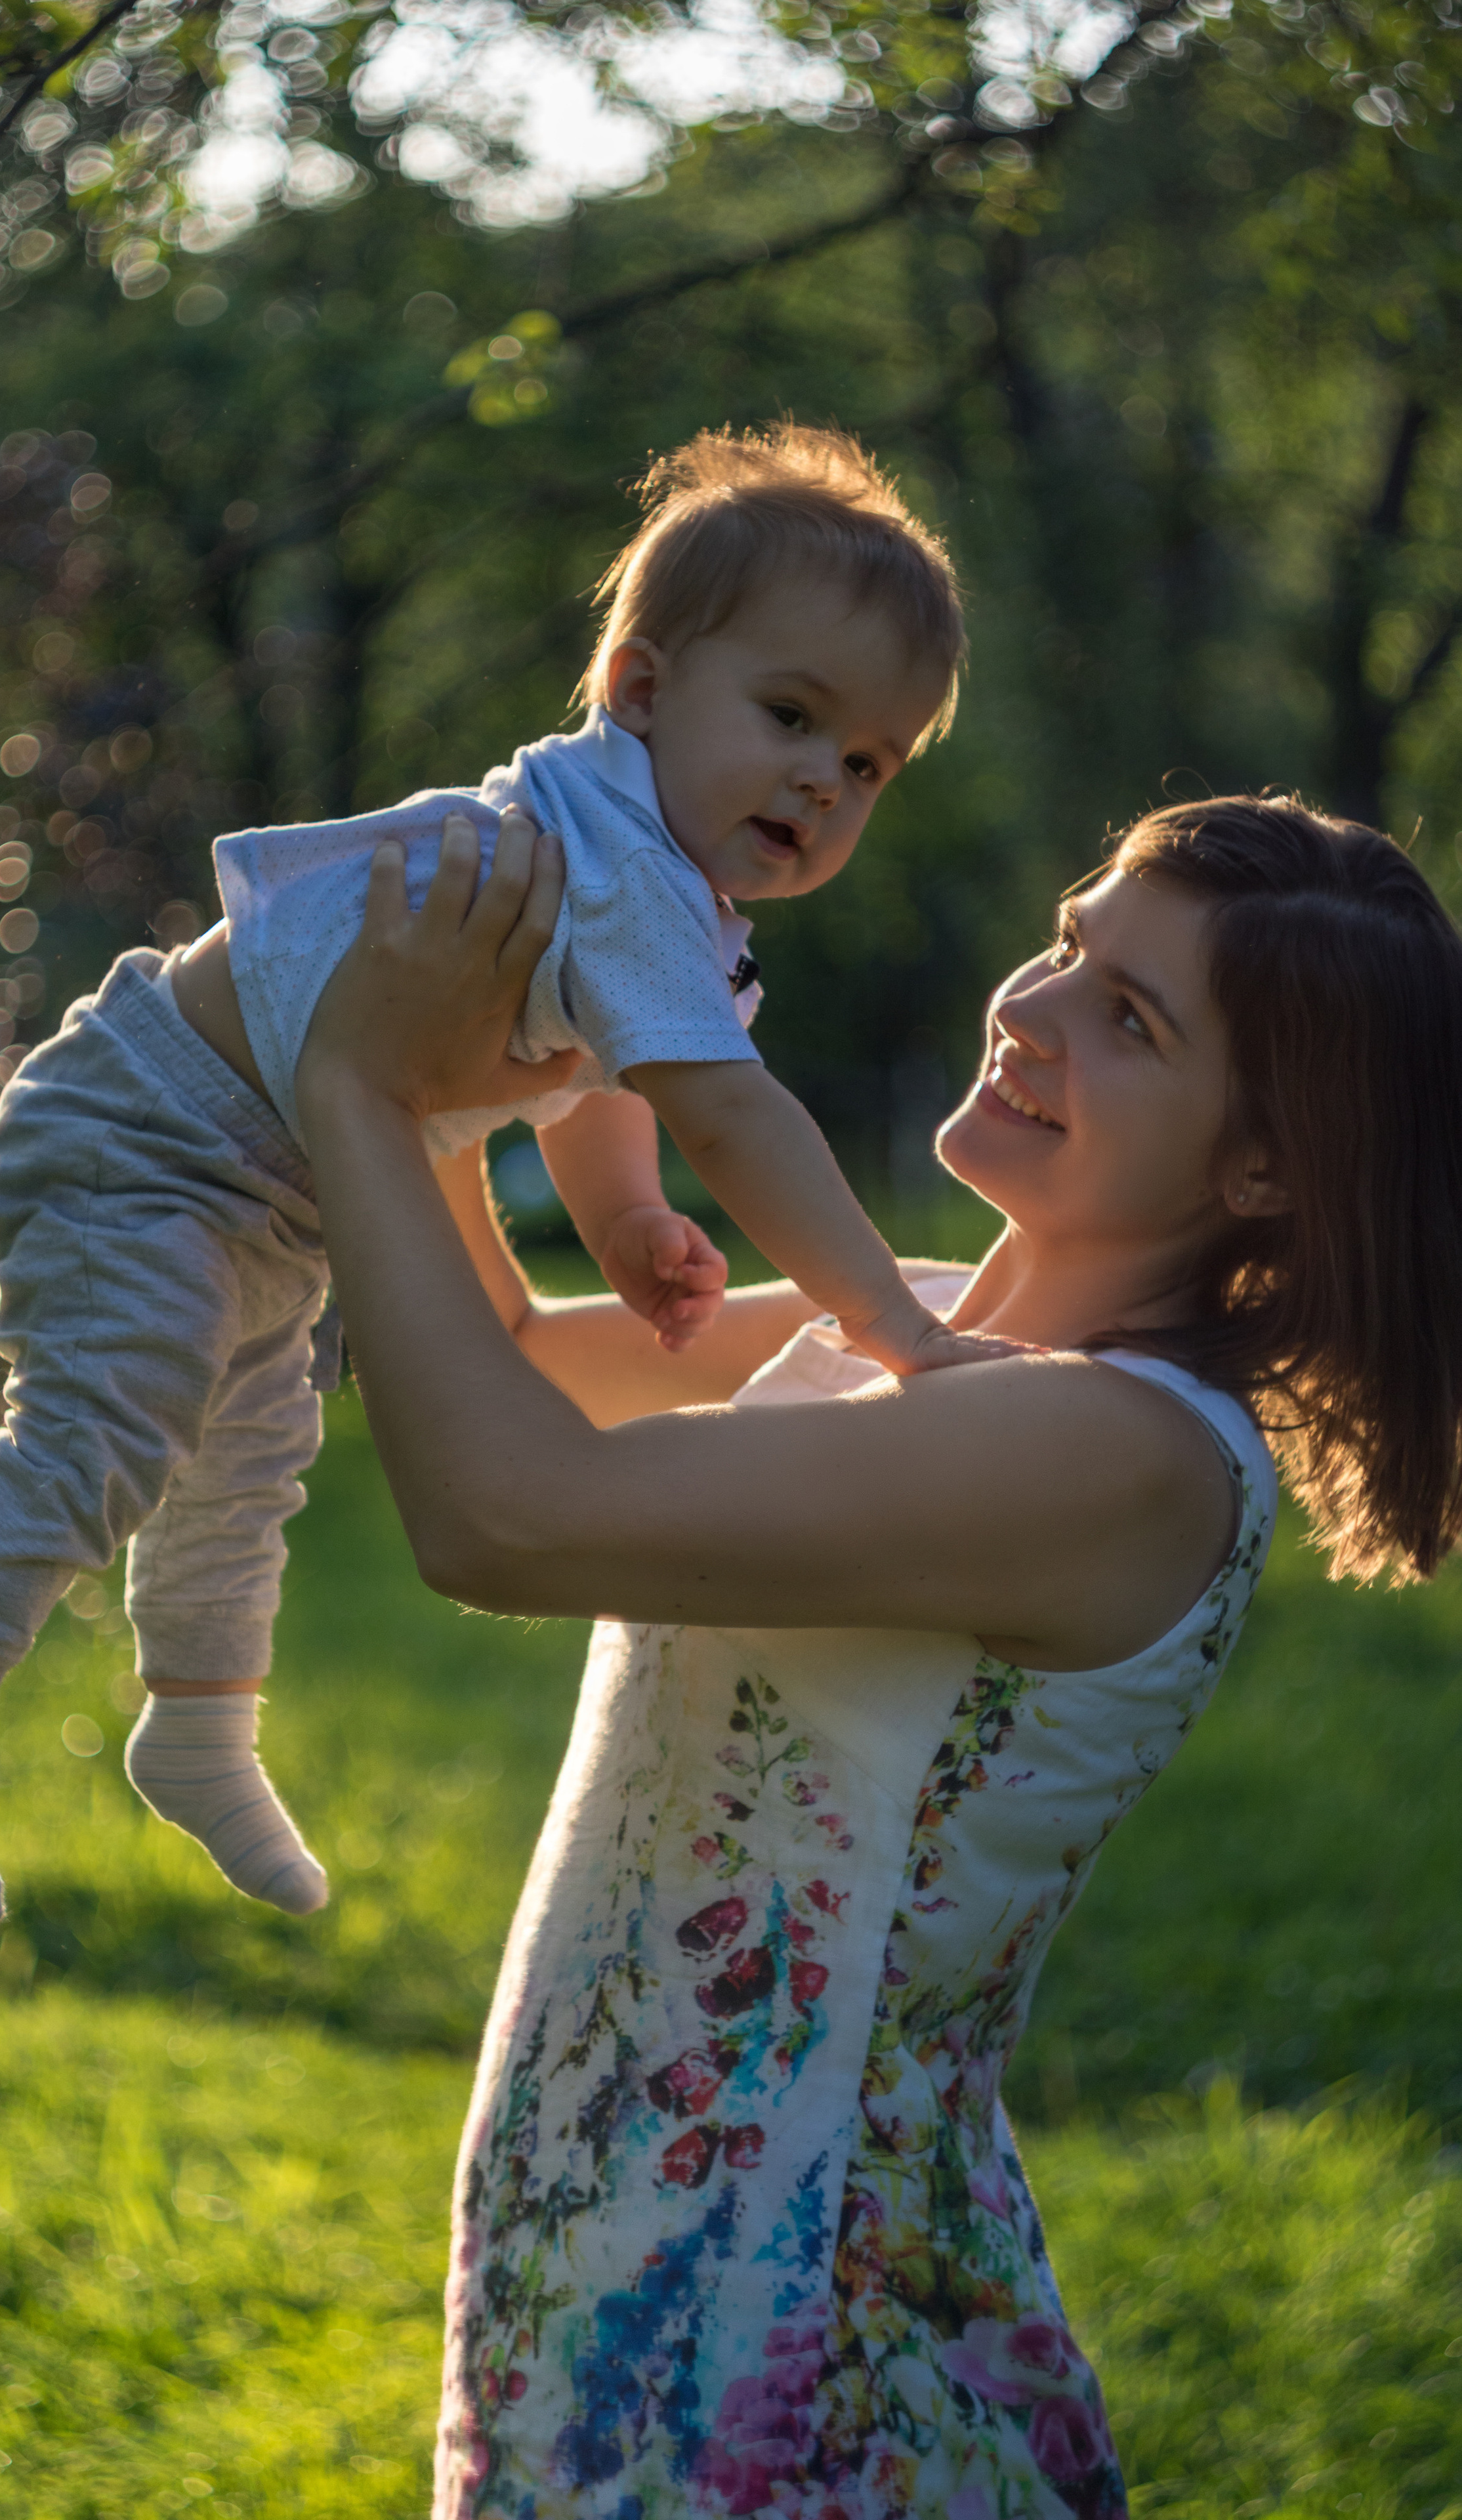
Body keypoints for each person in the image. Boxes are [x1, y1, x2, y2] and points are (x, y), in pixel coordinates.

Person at [291, 793, 1462, 2519]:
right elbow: (520, 1355)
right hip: (628, 2220)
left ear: (1263, 1168)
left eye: (1128, 1020)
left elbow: (500, 1516)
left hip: (805, 2321)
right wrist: (461, 1084)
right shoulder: (900, 1321)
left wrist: (349, 1079)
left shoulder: (1117, 1452)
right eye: (1064, 945)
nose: (1032, 1010)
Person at [0, 420, 1015, 1933]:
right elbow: (732, 1115)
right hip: (146, 1131)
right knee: (112, 1420)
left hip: (271, 1191)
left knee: (247, 1456)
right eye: (789, 715)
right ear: (641, 689)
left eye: (864, 764)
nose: (820, 781)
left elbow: (597, 1076)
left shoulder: (657, 882)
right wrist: (890, 1323)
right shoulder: (619, 861)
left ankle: (196, 1728)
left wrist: (625, 1217)